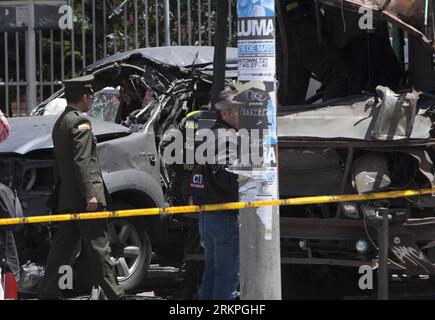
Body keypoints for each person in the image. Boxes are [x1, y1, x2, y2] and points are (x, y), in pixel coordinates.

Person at [39, 75, 124, 300]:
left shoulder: (61, 122)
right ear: (85, 96)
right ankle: (116, 295)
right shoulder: (79, 122)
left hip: (68, 199)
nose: (92, 100)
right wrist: (91, 195)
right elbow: (83, 161)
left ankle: (47, 292)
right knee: (100, 250)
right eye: (91, 96)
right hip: (86, 201)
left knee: (61, 250)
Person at [189, 89, 242, 300]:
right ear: (224, 113)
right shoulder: (226, 138)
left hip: (208, 216)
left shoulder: (209, 134)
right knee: (226, 278)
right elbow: (225, 175)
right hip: (224, 216)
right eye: (238, 110)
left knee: (212, 274)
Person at [277, 0, 348, 105]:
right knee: (337, 73)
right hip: (302, 27)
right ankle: (329, 117)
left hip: (282, 32)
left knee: (290, 101)